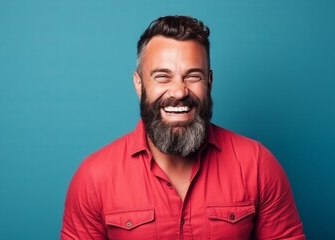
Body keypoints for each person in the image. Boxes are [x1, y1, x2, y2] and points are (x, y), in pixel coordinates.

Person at [60, 15, 305, 240]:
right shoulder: (94, 177)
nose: (179, 91)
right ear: (138, 84)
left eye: (193, 76)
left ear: (209, 82)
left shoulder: (257, 164)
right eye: (162, 76)